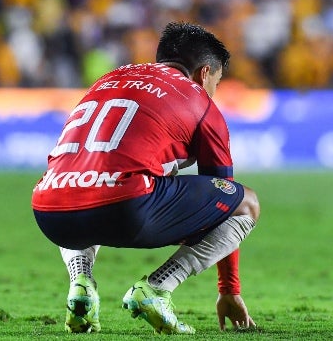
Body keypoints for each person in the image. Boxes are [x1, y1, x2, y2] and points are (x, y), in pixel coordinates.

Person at [31, 21, 260, 334]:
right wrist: (228, 289)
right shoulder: (199, 100)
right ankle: (156, 288)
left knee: (86, 181)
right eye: (215, 84)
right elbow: (225, 198)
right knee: (245, 202)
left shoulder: (109, 78)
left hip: (50, 213)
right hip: (125, 210)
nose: (212, 92)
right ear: (204, 73)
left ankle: (80, 282)